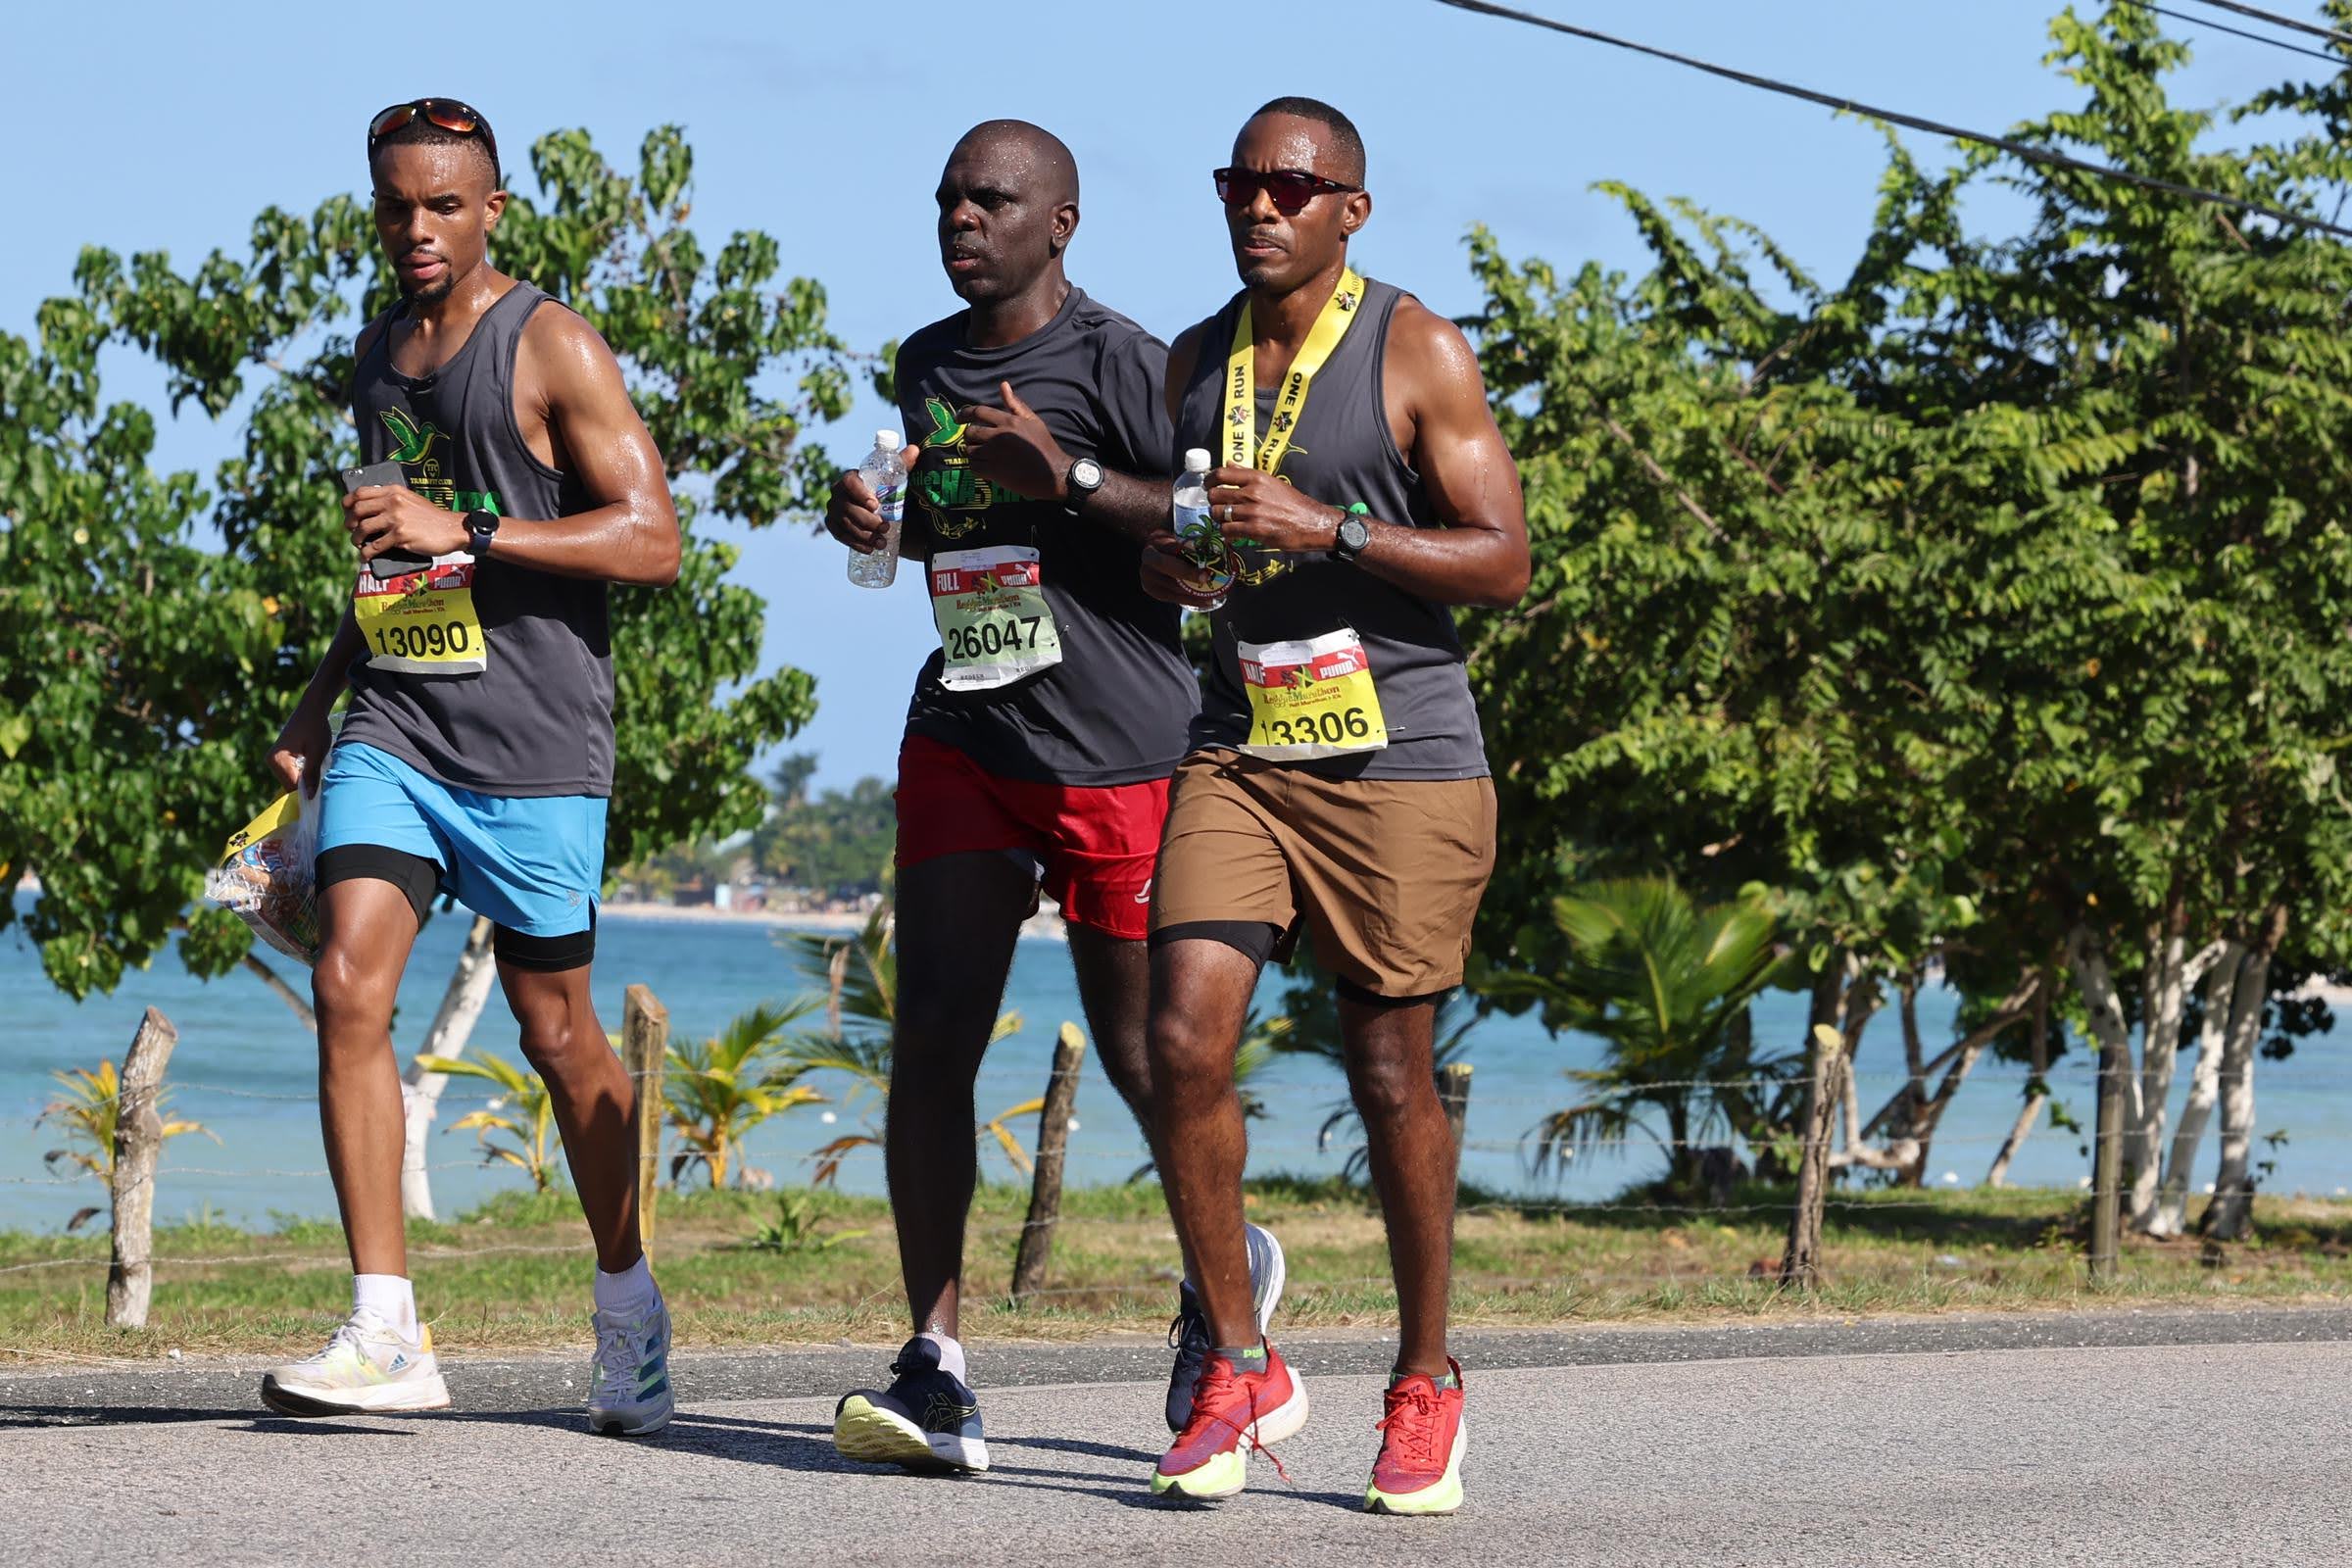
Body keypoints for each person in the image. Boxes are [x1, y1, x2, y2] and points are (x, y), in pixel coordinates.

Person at [820, 120, 1285, 1475]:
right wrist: (884, 528)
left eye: (993, 200)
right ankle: (935, 1367)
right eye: (950, 199)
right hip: (969, 731)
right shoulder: (925, 363)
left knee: (1151, 1060)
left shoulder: (1122, 360)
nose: (964, 219)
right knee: (933, 1045)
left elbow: (1209, 526)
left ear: (1061, 221)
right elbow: (967, 534)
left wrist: (1074, 475)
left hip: (1121, 755)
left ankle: (1224, 1286)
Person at [258, 97, 681, 1435]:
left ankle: (627, 1304)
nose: (418, 227)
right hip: (401, 721)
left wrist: (479, 527)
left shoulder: (551, 343)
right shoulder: (382, 354)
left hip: (537, 745)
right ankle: (386, 1328)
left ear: (492, 206)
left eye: (445, 204)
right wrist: (322, 702)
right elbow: (399, 549)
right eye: (397, 204)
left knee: (559, 1038)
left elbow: (652, 539)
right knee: (346, 979)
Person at [1138, 97, 1530, 1513]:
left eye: (1293, 186)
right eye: (1242, 180)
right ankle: (1238, 1360)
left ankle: (1425, 1379)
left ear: (1349, 210)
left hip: (1399, 759)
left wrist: (1334, 529)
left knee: (1388, 1077)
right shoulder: (1196, 363)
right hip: (1244, 743)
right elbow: (1180, 549)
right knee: (1179, 1031)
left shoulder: (1415, 347)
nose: (1262, 205)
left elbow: (1503, 558)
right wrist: (1173, 577)